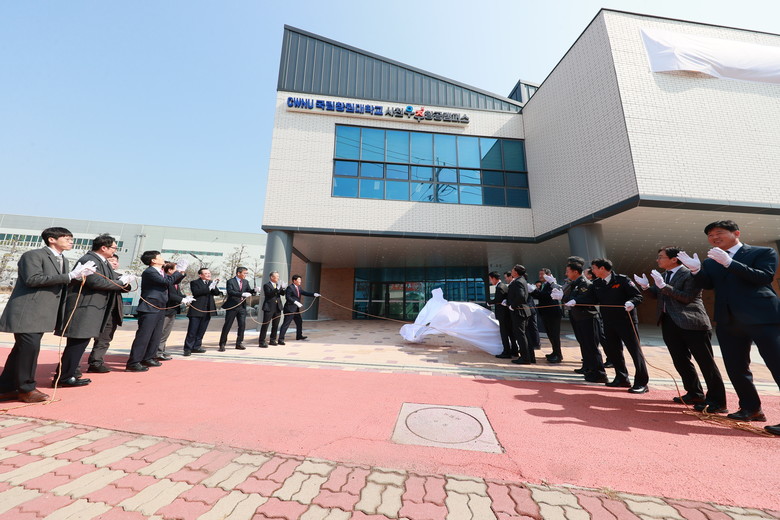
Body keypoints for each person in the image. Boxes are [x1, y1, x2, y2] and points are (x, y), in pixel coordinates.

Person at [678, 220, 780, 435]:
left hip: (762, 317)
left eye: (719, 233)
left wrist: (730, 263)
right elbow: (708, 284)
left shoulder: (763, 252)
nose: (714, 238)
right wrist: (696, 270)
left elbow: (763, 277)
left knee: (776, 363)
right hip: (729, 320)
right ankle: (751, 408)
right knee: (736, 367)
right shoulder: (712, 261)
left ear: (736, 233)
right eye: (710, 235)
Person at [0, 227, 96, 403]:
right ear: (52, 239)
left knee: (21, 350)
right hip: (28, 311)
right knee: (29, 349)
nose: (71, 241)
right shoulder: (33, 255)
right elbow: (32, 279)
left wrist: (77, 277)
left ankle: (6, 387)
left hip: (43, 313)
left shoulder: (63, 260)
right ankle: (26, 389)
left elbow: (59, 283)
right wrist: (69, 276)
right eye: (67, 238)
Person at [634, 247, 727, 413]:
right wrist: (646, 287)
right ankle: (694, 393)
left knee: (705, 362)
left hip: (692, 323)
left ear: (673, 259)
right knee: (680, 360)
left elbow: (686, 297)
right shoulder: (664, 275)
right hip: (669, 322)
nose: (658, 260)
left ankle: (717, 401)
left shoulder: (689, 274)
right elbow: (657, 294)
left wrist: (664, 286)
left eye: (661, 257)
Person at [54, 234, 133, 386]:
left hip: (93, 308)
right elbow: (95, 281)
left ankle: (68, 374)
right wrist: (120, 283)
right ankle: (64, 377)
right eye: (114, 248)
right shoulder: (89, 259)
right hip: (84, 308)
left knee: (80, 342)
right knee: (77, 342)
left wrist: (123, 281)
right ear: (104, 247)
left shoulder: (102, 261)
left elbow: (110, 279)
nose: (115, 251)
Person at [569, 258, 648, 393]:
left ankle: (642, 382)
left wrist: (632, 303)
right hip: (608, 321)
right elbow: (589, 298)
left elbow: (637, 296)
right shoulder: (597, 283)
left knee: (635, 351)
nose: (592, 271)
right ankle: (621, 378)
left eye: (594, 268)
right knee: (614, 351)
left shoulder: (622, 280)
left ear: (602, 268)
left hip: (626, 321)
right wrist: (575, 301)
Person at [127, 251, 185, 371]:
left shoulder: (160, 272)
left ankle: (148, 357)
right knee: (144, 335)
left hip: (160, 307)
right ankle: (133, 362)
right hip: (149, 307)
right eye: (159, 257)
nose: (162, 258)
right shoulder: (150, 272)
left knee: (156, 335)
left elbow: (172, 281)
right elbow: (167, 282)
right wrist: (178, 271)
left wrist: (181, 272)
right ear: (153, 260)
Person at [552, 262, 607, 383]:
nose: (566, 273)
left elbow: (587, 298)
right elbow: (571, 298)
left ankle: (599, 374)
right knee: (585, 345)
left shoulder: (584, 283)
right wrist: (562, 297)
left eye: (568, 271)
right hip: (580, 317)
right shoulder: (575, 283)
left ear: (575, 272)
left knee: (591, 347)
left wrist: (575, 300)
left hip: (588, 317)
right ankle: (589, 369)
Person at [86, 253, 128, 373]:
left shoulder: (119, 276)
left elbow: (126, 288)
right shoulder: (97, 274)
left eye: (116, 261)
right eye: (111, 260)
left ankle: (96, 362)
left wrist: (124, 282)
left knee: (105, 338)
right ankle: (73, 367)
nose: (114, 263)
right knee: (83, 338)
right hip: (97, 309)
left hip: (112, 310)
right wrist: (118, 283)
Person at [183, 267, 221, 356]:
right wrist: (209, 288)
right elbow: (196, 292)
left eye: (209, 273)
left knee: (201, 330)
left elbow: (216, 293)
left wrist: (214, 285)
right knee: (192, 330)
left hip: (208, 310)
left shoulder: (211, 283)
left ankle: (196, 347)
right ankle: (188, 348)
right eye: (206, 273)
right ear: (200, 275)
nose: (208, 275)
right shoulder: (195, 282)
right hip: (197, 310)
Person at [219, 267, 259, 351]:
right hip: (232, 306)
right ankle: (222, 344)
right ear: (238, 273)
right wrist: (242, 294)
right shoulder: (230, 281)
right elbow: (230, 292)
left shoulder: (245, 282)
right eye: (244, 273)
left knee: (242, 325)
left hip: (242, 307)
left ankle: (239, 343)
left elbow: (248, 291)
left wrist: (254, 290)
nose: (246, 275)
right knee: (228, 325)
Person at [531, 268, 563, 363]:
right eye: (539, 274)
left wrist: (534, 291)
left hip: (553, 313)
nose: (540, 276)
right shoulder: (543, 285)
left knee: (554, 334)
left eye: (542, 274)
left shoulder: (552, 284)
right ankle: (554, 352)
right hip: (545, 313)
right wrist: (533, 291)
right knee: (550, 334)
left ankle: (558, 355)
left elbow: (546, 295)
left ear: (548, 275)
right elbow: (540, 296)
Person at [156, 262, 185, 361]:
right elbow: (170, 295)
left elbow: (178, 293)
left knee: (166, 333)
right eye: (176, 269)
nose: (178, 272)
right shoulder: (166, 281)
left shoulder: (174, 282)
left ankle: (161, 350)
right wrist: (182, 299)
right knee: (161, 332)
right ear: (169, 270)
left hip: (172, 310)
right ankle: (157, 352)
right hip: (166, 310)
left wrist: (186, 298)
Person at [278, 274, 320, 345]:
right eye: (299, 280)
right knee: (286, 324)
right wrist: (295, 302)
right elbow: (288, 297)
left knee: (299, 322)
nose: (300, 281)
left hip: (296, 309)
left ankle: (299, 336)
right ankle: (280, 339)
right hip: (290, 309)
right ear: (294, 280)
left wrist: (314, 294)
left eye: (300, 280)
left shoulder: (299, 287)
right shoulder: (290, 287)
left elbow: (304, 293)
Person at [507, 264, 534, 364]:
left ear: (516, 272)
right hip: (523, 311)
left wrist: (512, 305)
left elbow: (521, 296)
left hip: (519, 311)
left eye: (513, 270)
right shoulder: (522, 280)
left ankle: (525, 358)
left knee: (520, 335)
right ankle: (530, 357)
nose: (511, 271)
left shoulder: (517, 282)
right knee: (525, 335)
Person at [488, 271, 514, 359]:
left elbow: (498, 300)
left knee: (504, 333)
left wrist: (489, 302)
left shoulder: (499, 287)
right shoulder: (504, 286)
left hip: (503, 314)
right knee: (510, 333)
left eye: (490, 279)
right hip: (507, 314)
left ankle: (506, 352)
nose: (490, 281)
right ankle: (514, 350)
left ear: (494, 278)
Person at [259, 271, 285, 348]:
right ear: (272, 277)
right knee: (265, 325)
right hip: (269, 308)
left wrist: (283, 288)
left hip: (277, 307)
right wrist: (277, 288)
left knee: (275, 325)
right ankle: (261, 341)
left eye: (278, 276)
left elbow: (282, 293)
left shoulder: (278, 285)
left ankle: (272, 340)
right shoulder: (266, 285)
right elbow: (269, 294)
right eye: (277, 276)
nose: (278, 278)